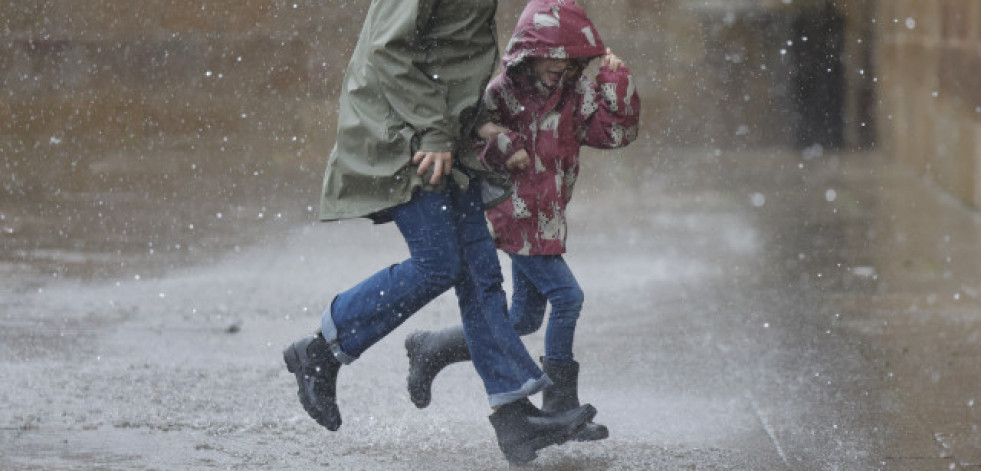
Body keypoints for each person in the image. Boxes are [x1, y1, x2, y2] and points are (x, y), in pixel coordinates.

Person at [281, 0, 597, 465]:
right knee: (439, 264)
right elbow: (389, 52)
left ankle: (515, 419)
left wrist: (465, 125)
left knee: (479, 275)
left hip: (441, 138)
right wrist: (433, 129)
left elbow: (448, 56)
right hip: (403, 137)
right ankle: (322, 346)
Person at [405, 0, 640, 442]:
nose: (561, 64)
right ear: (529, 50)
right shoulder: (503, 91)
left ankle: (432, 347)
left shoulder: (576, 96)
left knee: (524, 318)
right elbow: (471, 131)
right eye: (552, 53)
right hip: (511, 215)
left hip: (546, 219)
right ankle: (561, 404)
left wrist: (616, 83)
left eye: (570, 56)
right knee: (567, 297)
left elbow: (615, 134)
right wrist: (505, 144)